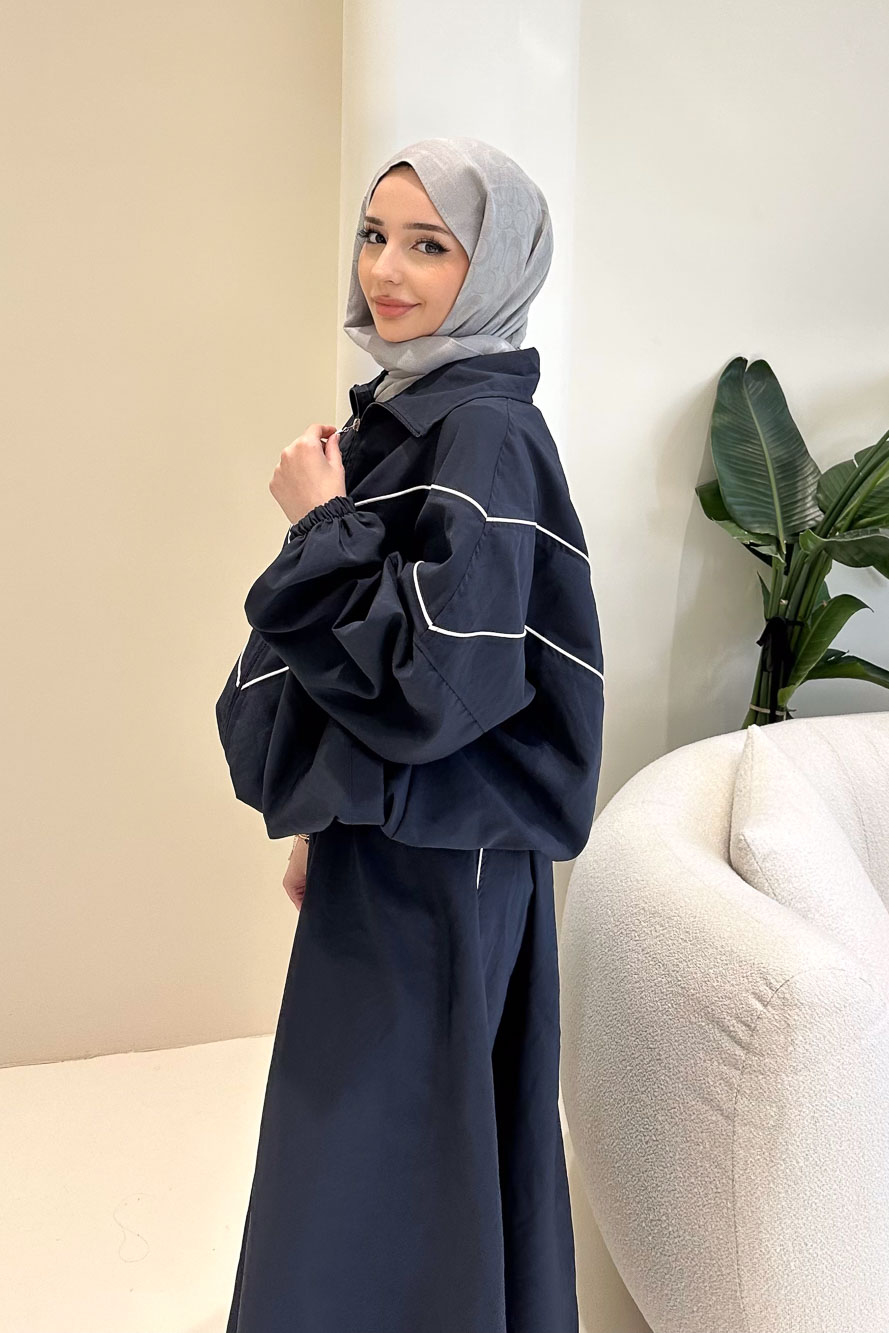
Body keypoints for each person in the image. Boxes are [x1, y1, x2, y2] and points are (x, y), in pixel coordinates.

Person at [216, 135, 605, 1333]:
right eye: (375, 235)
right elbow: (405, 679)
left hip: (442, 863)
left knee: (384, 1165)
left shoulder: (482, 433)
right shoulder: (414, 415)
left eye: (431, 245)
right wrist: (327, 815)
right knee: (384, 1163)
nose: (387, 270)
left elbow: (439, 679)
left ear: (497, 265)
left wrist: (318, 525)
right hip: (403, 843)